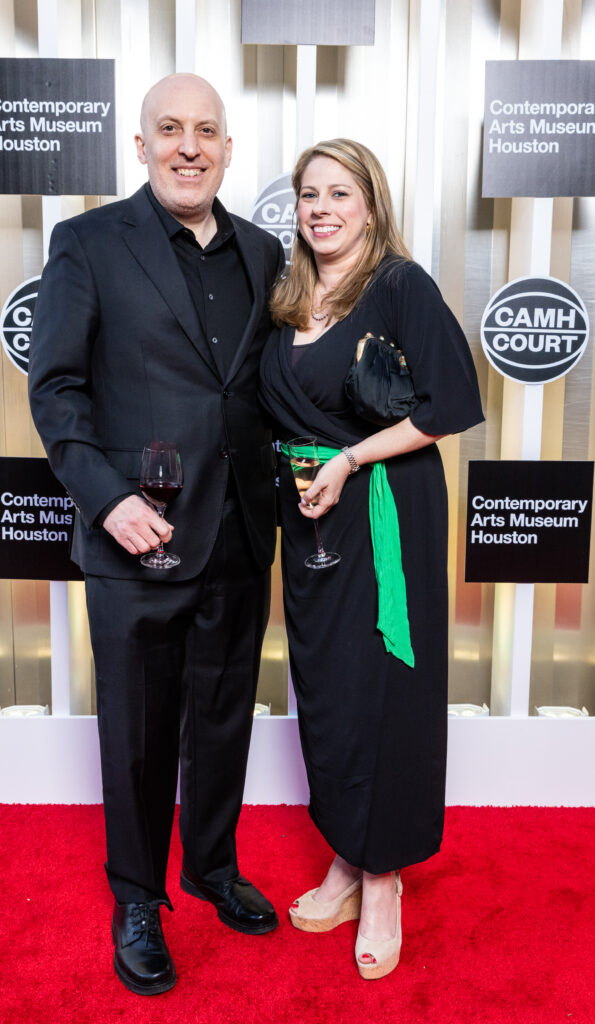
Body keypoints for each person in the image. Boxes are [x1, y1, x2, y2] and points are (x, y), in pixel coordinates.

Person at [28, 74, 284, 996]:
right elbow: (56, 388)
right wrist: (104, 500)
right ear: (140, 146)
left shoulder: (264, 252)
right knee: (138, 729)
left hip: (239, 531)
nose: (189, 146)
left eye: (206, 131)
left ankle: (209, 866)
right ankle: (136, 895)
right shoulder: (89, 242)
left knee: (221, 717)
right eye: (169, 129)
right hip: (138, 533)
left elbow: (260, 392)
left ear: (226, 147)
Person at [259, 139, 483, 980]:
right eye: (308, 194)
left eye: (338, 193)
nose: (320, 208)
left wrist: (350, 460)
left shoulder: (397, 286)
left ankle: (382, 876)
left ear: (370, 204)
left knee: (383, 689)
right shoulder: (287, 298)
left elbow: (450, 404)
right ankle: (347, 856)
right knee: (327, 687)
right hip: (310, 516)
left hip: (384, 511)